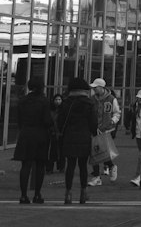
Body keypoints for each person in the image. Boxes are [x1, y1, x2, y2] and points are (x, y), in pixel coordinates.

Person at [57, 76, 99, 205]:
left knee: (70, 166)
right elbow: (93, 123)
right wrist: (93, 132)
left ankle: (68, 193)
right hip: (84, 137)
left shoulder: (66, 103)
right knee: (83, 166)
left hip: (69, 137)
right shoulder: (89, 103)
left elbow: (60, 122)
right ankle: (83, 193)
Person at [14, 77, 53, 204]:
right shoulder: (44, 101)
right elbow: (47, 120)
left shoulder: (22, 101)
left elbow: (19, 120)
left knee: (25, 165)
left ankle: (23, 195)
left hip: (25, 134)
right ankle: (37, 194)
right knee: (40, 165)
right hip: (40, 134)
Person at [87, 78, 122, 187]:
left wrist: (112, 121)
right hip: (94, 129)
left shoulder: (111, 99)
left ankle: (109, 167)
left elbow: (117, 113)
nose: (94, 89)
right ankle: (98, 175)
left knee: (102, 152)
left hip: (107, 129)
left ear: (102, 87)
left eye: (95, 87)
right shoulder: (92, 99)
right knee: (95, 152)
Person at [47, 91, 65, 175]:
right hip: (52, 133)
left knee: (61, 151)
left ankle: (61, 167)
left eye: (59, 99)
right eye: (56, 99)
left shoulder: (63, 111)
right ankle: (50, 168)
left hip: (60, 133)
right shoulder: (50, 110)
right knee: (52, 151)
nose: (58, 101)